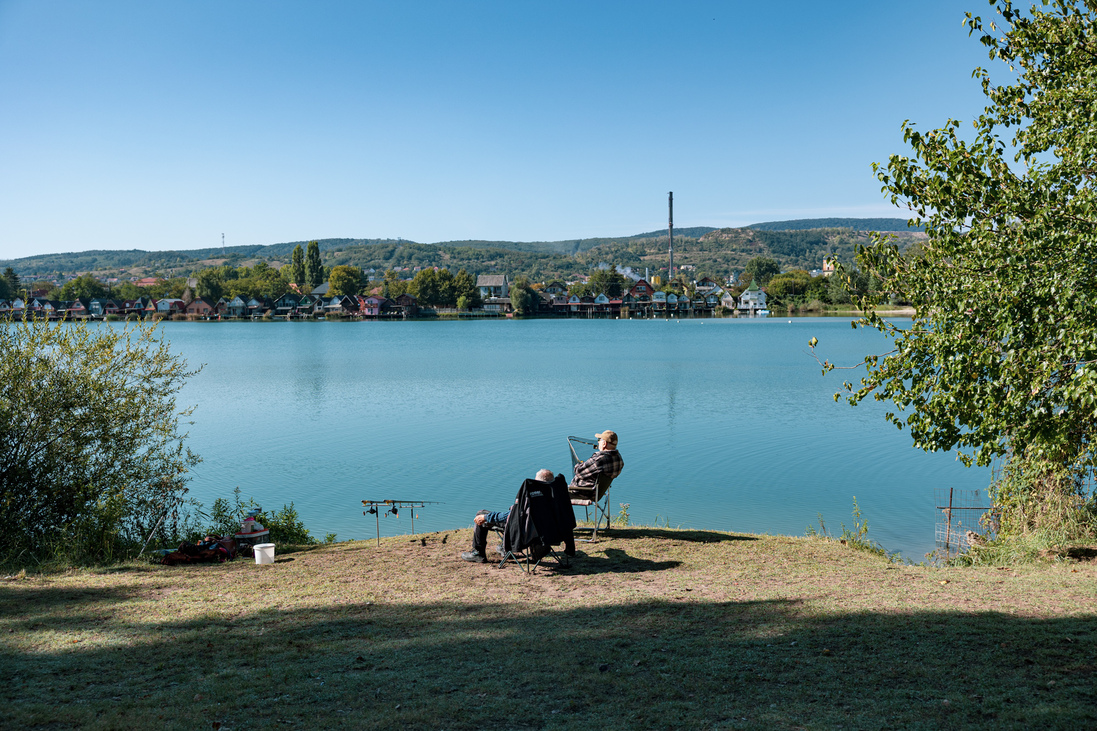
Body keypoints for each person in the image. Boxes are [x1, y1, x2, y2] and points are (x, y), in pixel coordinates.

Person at [461, 468, 553, 563]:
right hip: (547, 534)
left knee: (481, 514)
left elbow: (510, 516)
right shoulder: (556, 500)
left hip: (525, 532)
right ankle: (503, 547)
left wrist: (486, 517)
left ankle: (478, 553)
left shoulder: (534, 499)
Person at [569, 429, 624, 499]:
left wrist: (578, 465)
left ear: (604, 443)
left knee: (555, 487)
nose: (598, 442)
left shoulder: (598, 460)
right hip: (598, 493)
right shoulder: (619, 459)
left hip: (583, 492)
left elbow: (578, 472)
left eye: (599, 440)